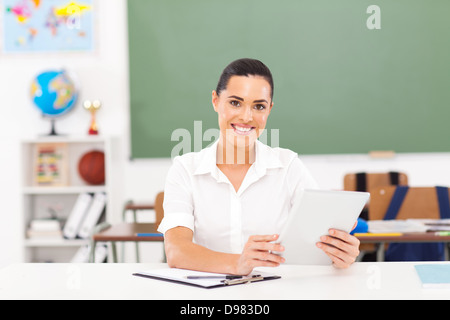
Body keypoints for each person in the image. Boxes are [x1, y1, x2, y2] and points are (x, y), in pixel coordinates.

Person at [157, 58, 360, 275]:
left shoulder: (288, 167)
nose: (246, 117)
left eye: (259, 106)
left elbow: (317, 245)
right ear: (216, 101)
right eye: (235, 102)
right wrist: (238, 263)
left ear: (269, 109)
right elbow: (177, 251)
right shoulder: (185, 170)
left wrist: (340, 255)